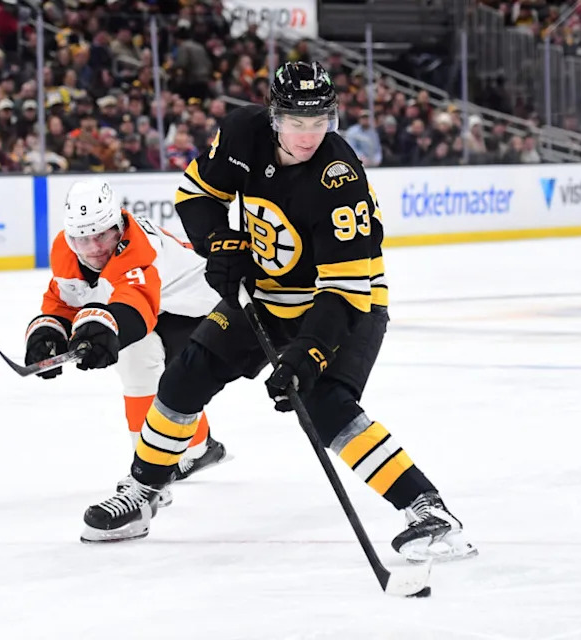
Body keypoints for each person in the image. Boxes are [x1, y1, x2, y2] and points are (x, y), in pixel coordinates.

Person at [80, 62, 476, 563]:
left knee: (324, 402)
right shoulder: (242, 134)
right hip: (267, 295)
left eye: (319, 122)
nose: (308, 136)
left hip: (348, 299)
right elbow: (195, 195)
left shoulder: (339, 179)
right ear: (273, 117)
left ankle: (427, 509)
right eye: (295, 122)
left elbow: (344, 290)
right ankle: (142, 492)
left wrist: (309, 352)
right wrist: (219, 244)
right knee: (185, 377)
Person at [24, 178, 229, 522]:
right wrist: (49, 332)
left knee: (141, 364)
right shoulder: (65, 248)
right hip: (161, 306)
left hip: (201, 306)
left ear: (118, 224)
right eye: (82, 239)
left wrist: (104, 331)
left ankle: (148, 479)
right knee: (152, 375)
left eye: (102, 236)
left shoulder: (139, 248)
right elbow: (64, 300)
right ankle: (200, 447)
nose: (93, 248)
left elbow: (136, 304)